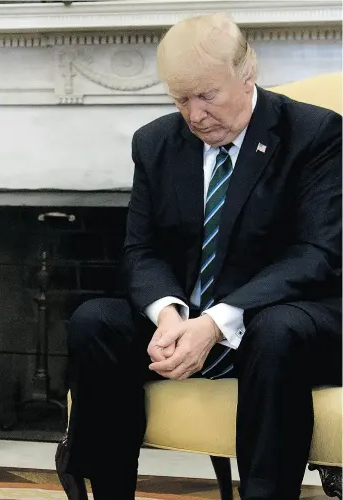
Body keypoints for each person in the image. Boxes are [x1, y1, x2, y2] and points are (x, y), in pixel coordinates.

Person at [56, 12, 342, 500]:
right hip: (189, 317)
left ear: (247, 72)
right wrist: (168, 315)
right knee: (95, 321)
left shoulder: (315, 134)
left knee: (275, 331)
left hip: (287, 320)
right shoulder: (156, 143)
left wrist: (214, 323)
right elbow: (140, 249)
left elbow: (318, 255)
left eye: (207, 95)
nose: (194, 114)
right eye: (179, 98)